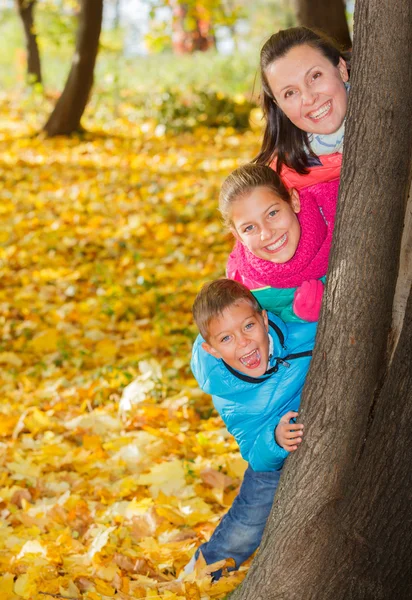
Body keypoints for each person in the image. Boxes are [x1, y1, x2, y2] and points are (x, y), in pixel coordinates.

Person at [183, 278, 316, 579]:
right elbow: (254, 452)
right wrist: (273, 439)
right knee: (248, 521)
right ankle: (202, 572)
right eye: (226, 339)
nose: (243, 342)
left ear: (264, 320)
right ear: (212, 350)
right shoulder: (229, 398)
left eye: (248, 327)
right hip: (272, 457)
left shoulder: (298, 331)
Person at [223, 163, 338, 321]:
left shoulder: (335, 213)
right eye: (249, 228)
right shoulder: (244, 286)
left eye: (272, 213)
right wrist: (296, 314)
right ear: (238, 236)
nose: (267, 233)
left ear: (293, 201)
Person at [254, 26, 350, 190]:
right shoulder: (277, 185)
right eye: (290, 93)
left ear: (341, 69)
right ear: (280, 106)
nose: (309, 99)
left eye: (315, 76)